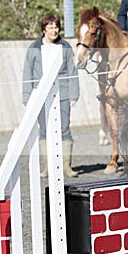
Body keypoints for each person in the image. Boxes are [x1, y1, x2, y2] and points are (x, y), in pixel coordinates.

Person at [22, 13, 79, 177]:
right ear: (44, 29)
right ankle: (47, 167)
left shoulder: (66, 47)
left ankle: (66, 166)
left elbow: (72, 71)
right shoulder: (34, 47)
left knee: (64, 129)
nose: (55, 31)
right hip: (40, 94)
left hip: (62, 94)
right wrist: (27, 97)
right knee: (45, 130)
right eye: (51, 27)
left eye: (56, 27)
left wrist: (74, 95)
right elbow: (28, 72)